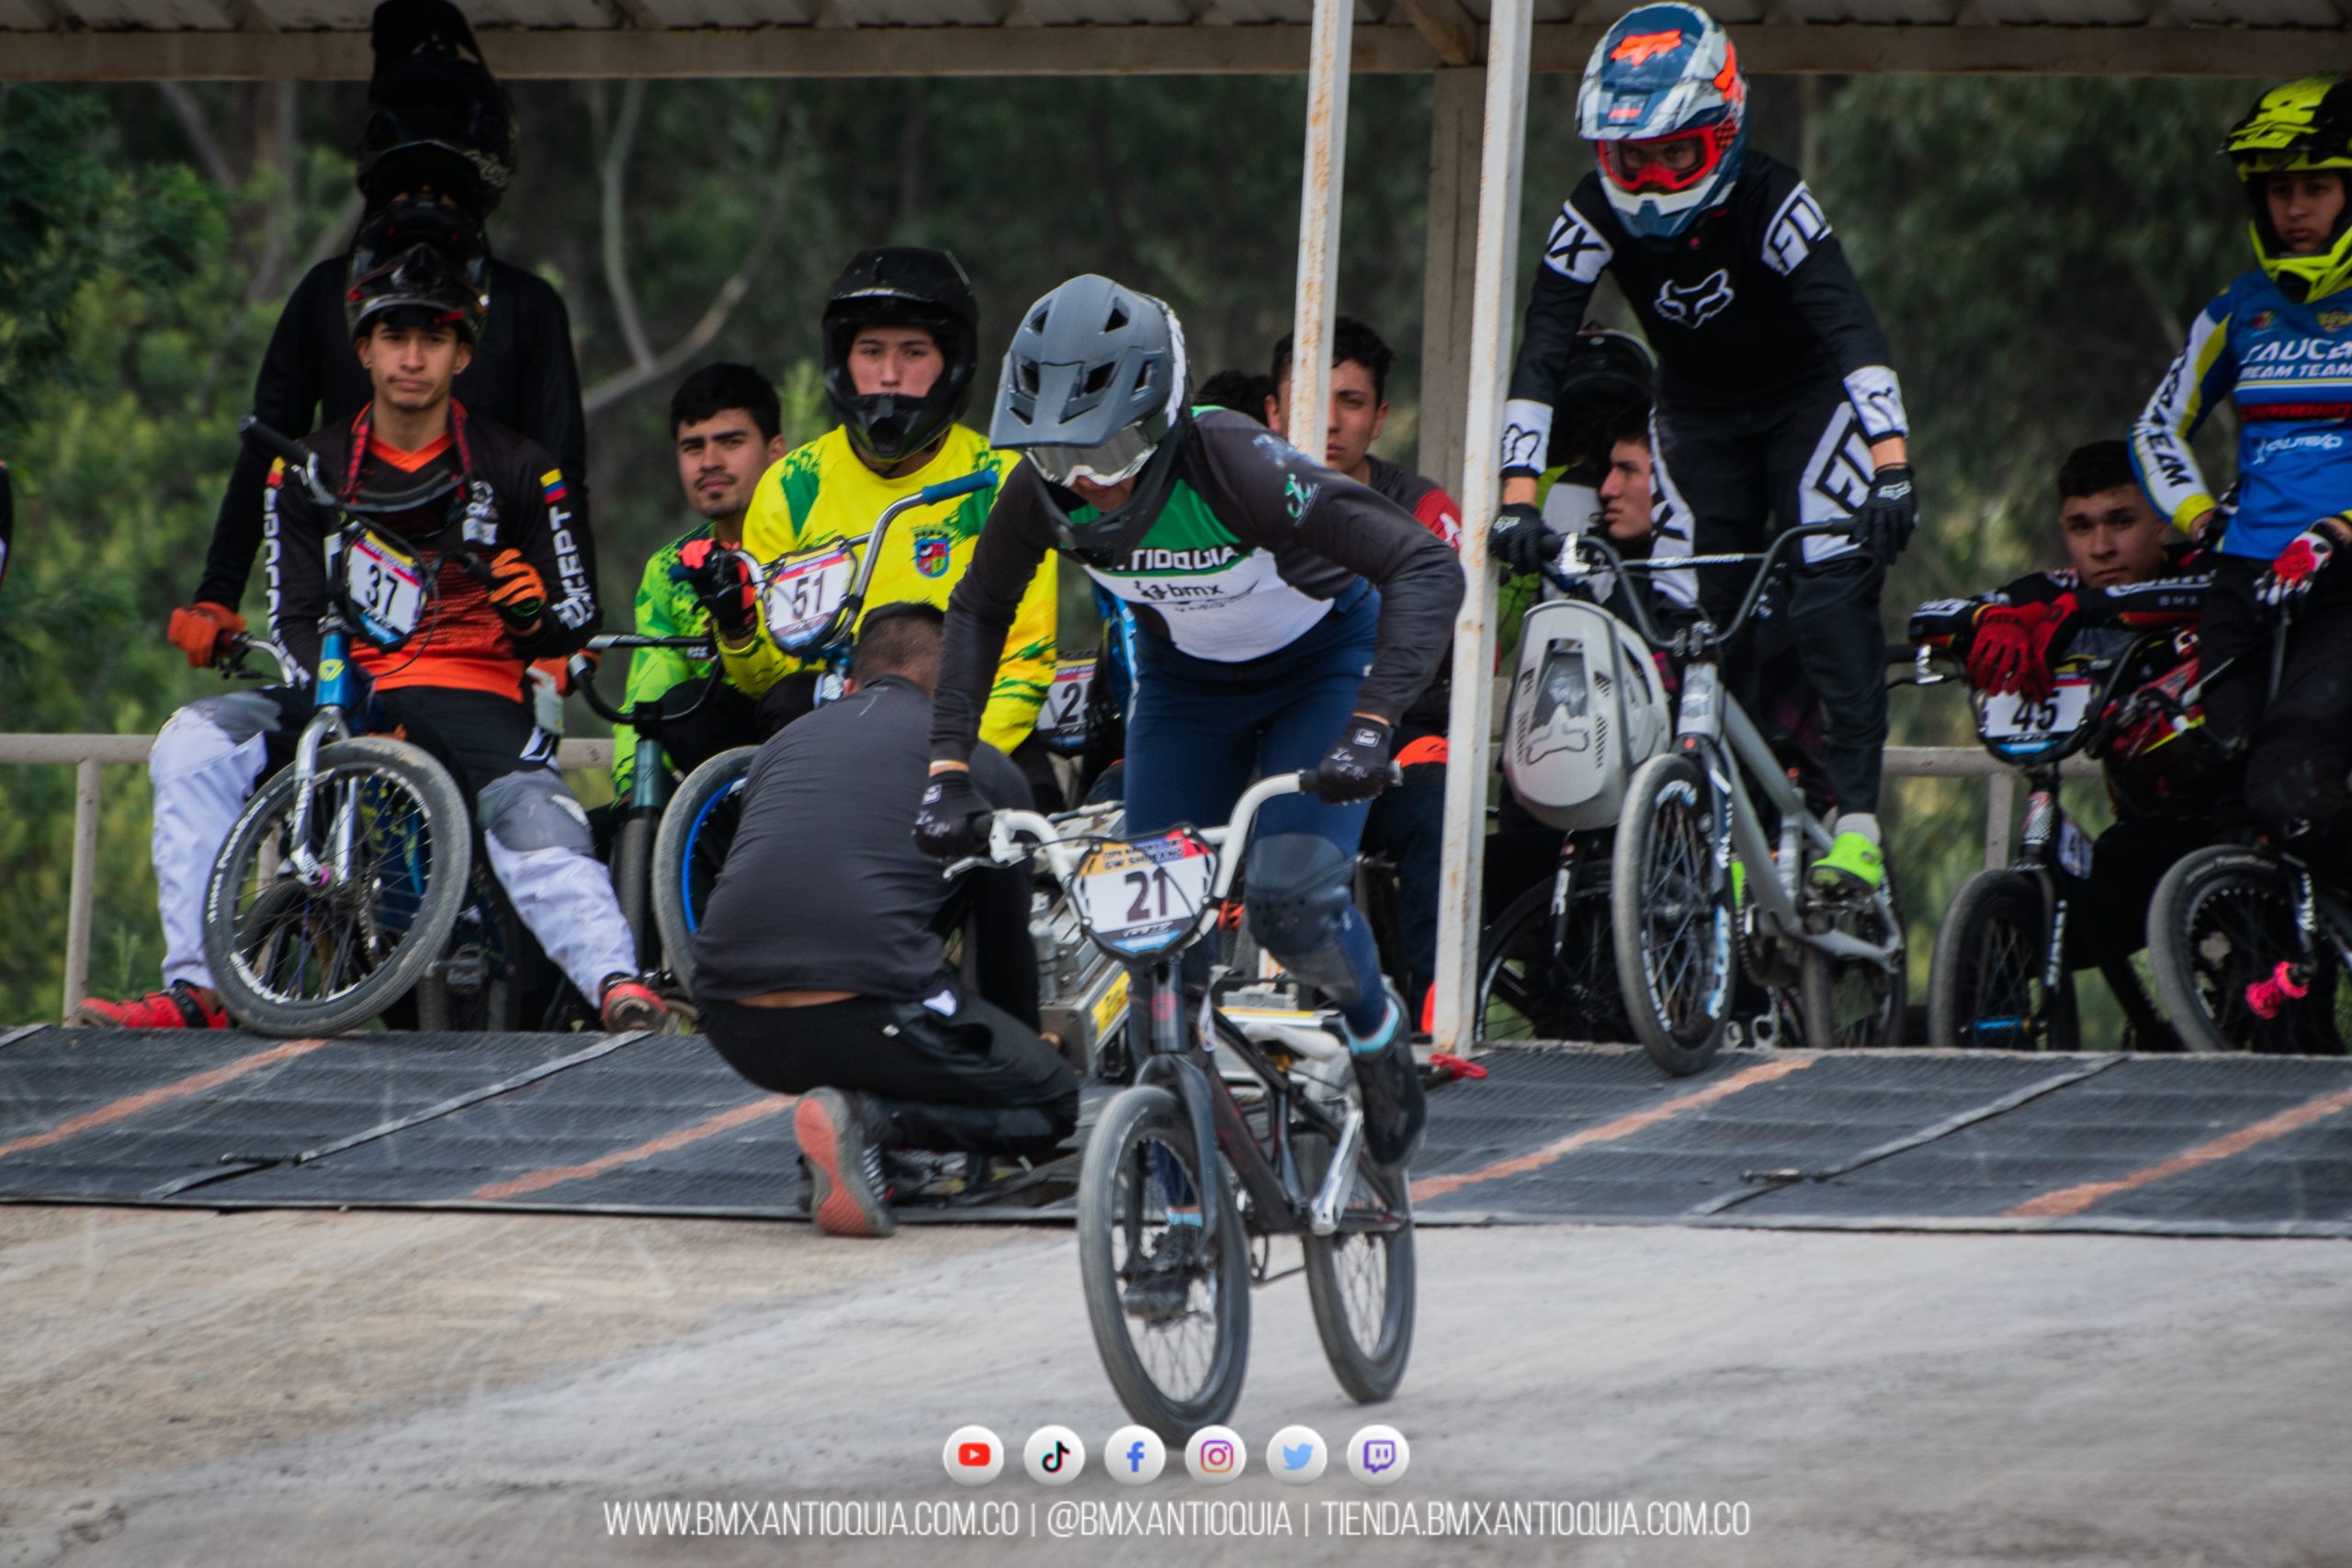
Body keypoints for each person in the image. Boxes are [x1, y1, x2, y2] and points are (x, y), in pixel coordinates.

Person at [914, 275, 1464, 1187]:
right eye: (1057, 451)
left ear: (1165, 417)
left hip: (1320, 669)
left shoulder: (1236, 461)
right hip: (1186, 689)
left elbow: (1424, 568)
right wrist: (945, 769)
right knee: (1154, 941)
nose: (1091, 478)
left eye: (1116, 444)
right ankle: (1176, 1196)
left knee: (1291, 901)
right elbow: (976, 611)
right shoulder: (1042, 491)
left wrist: (1372, 725)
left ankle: (1374, 1030)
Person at [76, 226, 662, 1033]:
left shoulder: (525, 466)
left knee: (535, 809)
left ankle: (617, 985)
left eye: (433, 337)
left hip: (474, 691)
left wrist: (532, 616)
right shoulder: (304, 467)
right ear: (363, 349)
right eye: (394, 335)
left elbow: (575, 619)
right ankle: (199, 990)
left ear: (464, 353)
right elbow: (292, 615)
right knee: (193, 740)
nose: (412, 357)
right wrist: (347, 688)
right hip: (344, 687)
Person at [1489, 2, 1916, 897]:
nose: (1646, 184)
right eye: (1627, 158)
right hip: (1695, 411)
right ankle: (1696, 803)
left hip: (1807, 405)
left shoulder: (1773, 196)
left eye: (1671, 154)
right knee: (1685, 614)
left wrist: (1890, 470)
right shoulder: (1586, 213)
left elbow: (1855, 333)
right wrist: (1517, 499)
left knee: (1825, 594)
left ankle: (1857, 822)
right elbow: (1538, 354)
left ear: (1723, 129)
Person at [164, 0, 586, 677]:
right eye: (407, 186)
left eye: (445, 192)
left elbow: (562, 482)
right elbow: (267, 450)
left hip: (485, 620)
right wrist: (217, 592)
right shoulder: (323, 293)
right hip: (352, 607)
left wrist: (563, 629)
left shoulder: (529, 305)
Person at [692, 604, 1074, 1239]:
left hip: (733, 1021)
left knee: (881, 971)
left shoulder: (780, 747)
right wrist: (1017, 1055)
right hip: (866, 1008)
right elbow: (1007, 958)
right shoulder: (979, 765)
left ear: (852, 680)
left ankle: (847, 1141)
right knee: (1049, 1100)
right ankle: (875, 1121)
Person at [705, 247, 1061, 807]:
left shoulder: (1002, 477)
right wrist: (739, 629)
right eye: (870, 351)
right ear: (841, 361)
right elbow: (772, 678)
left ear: (955, 361)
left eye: (913, 352)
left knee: (1038, 809)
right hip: (839, 731)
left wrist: (939, 762)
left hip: (970, 728)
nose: (889, 375)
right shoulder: (790, 485)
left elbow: (1026, 663)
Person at [2132, 76, 2352, 885]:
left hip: (2342, 583)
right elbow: (2155, 427)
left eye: (2317, 187)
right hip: (2244, 579)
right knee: (2224, 795)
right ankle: (2263, 1002)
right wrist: (2196, 518)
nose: (2296, 208)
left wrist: (2339, 530)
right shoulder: (2238, 309)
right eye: (2279, 190)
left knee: (2291, 785)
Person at [1913, 441, 2218, 980]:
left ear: (2161, 523)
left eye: (2120, 521)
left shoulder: (2211, 570)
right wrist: (1989, 618)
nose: (2101, 547)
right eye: (2081, 527)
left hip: (2245, 825)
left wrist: (2085, 610)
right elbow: (1930, 616)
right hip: (2144, 833)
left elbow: (2204, 599)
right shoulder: (2058, 590)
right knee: (2013, 938)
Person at [1268, 315, 1466, 1021]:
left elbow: (1452, 645)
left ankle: (1435, 1017)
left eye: (1350, 401)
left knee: (1439, 790)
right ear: (1272, 411)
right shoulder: (1234, 495)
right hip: (1275, 731)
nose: (1328, 420)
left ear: (1380, 418)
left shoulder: (1425, 508)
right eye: (1309, 398)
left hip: (1394, 737)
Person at [605, 364, 791, 801]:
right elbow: (652, 689)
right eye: (693, 447)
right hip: (716, 777)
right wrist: (635, 791)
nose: (709, 462)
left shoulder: (814, 544)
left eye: (730, 442)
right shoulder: (670, 567)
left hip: (807, 754)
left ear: (777, 451)